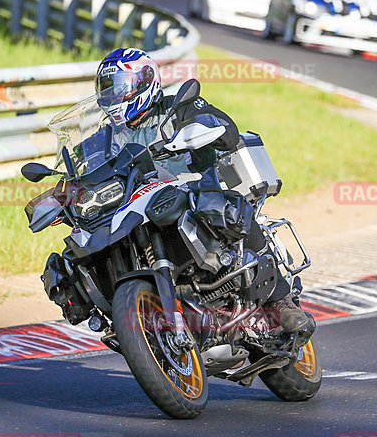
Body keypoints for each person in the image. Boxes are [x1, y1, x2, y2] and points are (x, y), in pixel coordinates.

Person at [95, 47, 314, 336]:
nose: (112, 96)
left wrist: (200, 131)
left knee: (226, 208)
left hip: (196, 189)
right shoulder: (106, 134)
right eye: (106, 89)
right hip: (143, 206)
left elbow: (228, 129)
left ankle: (282, 302)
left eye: (118, 87)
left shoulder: (178, 108)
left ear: (145, 81)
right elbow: (88, 169)